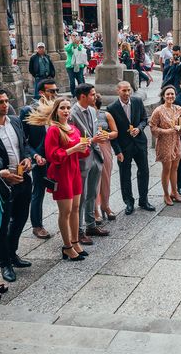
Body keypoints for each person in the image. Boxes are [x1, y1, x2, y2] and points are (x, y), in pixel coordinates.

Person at [35, 98, 91, 263]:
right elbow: (51, 155)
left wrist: (84, 146)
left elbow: (82, 154)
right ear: (56, 111)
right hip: (61, 173)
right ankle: (66, 247)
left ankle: (74, 242)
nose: (66, 111)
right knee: (65, 212)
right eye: (62, 108)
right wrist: (73, 149)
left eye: (68, 108)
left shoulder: (73, 128)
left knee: (75, 208)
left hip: (74, 171)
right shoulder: (53, 130)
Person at [0, 90, 34, 282]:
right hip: (3, 183)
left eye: (6, 101)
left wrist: (28, 158)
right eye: (0, 102)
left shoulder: (14, 121)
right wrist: (3, 174)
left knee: (20, 218)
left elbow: (24, 144)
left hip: (23, 178)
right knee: (2, 226)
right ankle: (4, 264)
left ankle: (12, 253)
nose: (5, 105)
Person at [107, 81, 155, 215]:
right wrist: (117, 151)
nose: (127, 93)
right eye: (124, 91)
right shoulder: (112, 108)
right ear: (118, 91)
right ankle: (129, 202)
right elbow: (113, 132)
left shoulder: (138, 101)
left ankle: (144, 200)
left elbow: (144, 119)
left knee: (144, 171)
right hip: (124, 146)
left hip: (139, 143)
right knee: (125, 175)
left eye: (129, 90)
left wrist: (139, 129)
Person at [70, 83, 108, 243]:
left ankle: (91, 225)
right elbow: (72, 137)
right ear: (83, 96)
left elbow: (92, 130)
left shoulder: (93, 110)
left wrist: (99, 136)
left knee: (92, 192)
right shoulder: (71, 113)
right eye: (92, 94)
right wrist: (93, 139)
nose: (95, 96)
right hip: (82, 158)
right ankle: (78, 231)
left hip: (95, 156)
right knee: (82, 196)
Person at [21, 79, 57, 239]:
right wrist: (35, 155)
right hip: (40, 159)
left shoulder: (57, 108)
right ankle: (37, 225)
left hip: (58, 158)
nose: (55, 94)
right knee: (38, 192)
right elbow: (23, 140)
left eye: (56, 91)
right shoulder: (29, 110)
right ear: (41, 92)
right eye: (51, 91)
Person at [150, 85, 181, 205]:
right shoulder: (158, 110)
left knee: (175, 168)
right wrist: (165, 131)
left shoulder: (179, 109)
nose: (170, 96)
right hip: (164, 142)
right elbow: (153, 127)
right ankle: (166, 194)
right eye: (168, 94)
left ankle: (174, 191)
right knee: (167, 168)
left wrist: (180, 127)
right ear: (163, 96)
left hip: (176, 141)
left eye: (172, 94)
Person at [93, 93, 118, 223]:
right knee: (94, 180)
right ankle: (95, 209)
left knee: (106, 177)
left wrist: (107, 135)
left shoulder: (105, 115)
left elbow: (115, 132)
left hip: (105, 146)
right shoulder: (83, 115)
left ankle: (105, 205)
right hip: (91, 147)